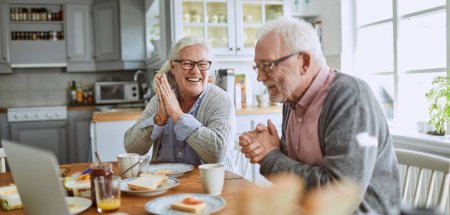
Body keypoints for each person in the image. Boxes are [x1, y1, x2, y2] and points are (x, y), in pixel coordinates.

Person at [239, 17, 400, 214]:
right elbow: (301, 167)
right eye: (258, 67)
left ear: (304, 62)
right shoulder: (291, 99)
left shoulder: (349, 97)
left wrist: (271, 157)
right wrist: (273, 147)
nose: (260, 77)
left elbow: (338, 192)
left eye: (268, 65)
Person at [124, 36, 236, 167]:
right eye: (187, 63)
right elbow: (131, 149)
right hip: (166, 183)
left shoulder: (220, 99)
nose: (195, 71)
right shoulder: (161, 98)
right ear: (173, 67)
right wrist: (159, 119)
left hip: (211, 186)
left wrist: (177, 115)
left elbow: (217, 154)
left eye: (202, 64)